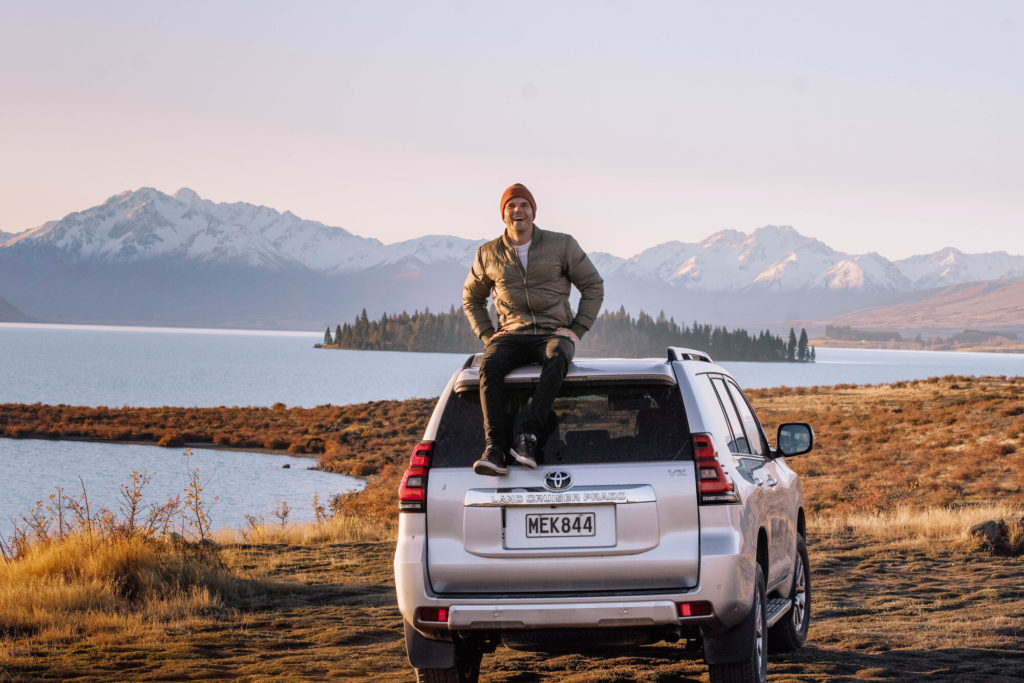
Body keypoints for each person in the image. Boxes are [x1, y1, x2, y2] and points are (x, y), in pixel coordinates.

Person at [462, 183, 604, 476]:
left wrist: (578, 327)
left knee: (558, 356)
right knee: (488, 364)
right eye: (511, 205)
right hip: (511, 334)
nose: (518, 210)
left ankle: (527, 437)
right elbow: (471, 297)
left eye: (524, 205)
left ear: (533, 212)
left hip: (553, 332)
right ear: (503, 214)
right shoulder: (487, 253)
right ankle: (495, 449)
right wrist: (488, 336)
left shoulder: (562, 245)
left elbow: (593, 285)